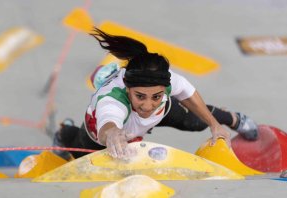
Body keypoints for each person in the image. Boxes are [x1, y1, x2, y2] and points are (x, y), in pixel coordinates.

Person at [53, 28, 258, 160]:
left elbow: (188, 94)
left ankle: (234, 119)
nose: (148, 105)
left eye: (156, 96)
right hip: (99, 134)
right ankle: (64, 132)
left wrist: (215, 125)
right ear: (127, 87)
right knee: (79, 152)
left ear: (164, 89)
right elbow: (108, 121)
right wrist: (112, 134)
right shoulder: (112, 100)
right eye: (140, 96)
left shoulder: (164, 80)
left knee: (194, 121)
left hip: (146, 120)